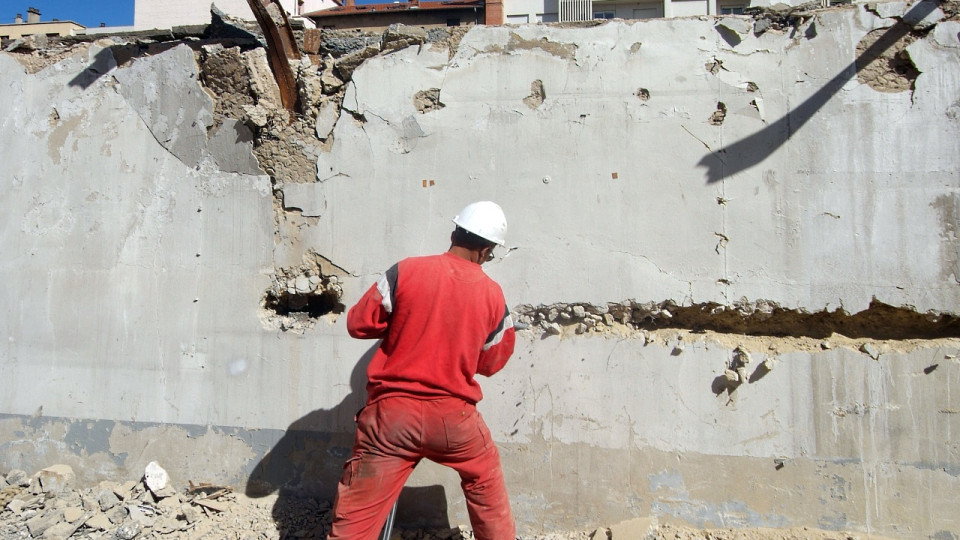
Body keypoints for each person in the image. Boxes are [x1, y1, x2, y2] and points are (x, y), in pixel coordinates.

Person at [328, 201, 517, 540]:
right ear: (487, 250)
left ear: (453, 232)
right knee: (485, 480)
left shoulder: (406, 271)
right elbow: (491, 363)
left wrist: (406, 322)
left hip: (391, 420)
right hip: (454, 422)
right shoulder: (494, 296)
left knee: (355, 520)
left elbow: (359, 323)